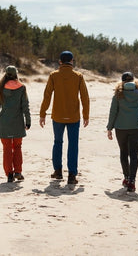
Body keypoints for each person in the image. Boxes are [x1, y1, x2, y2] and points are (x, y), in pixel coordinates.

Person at [39, 51, 90, 185]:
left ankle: (58, 171)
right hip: (73, 117)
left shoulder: (54, 75)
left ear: (60, 62)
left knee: (58, 142)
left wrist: (42, 113)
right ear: (72, 61)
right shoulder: (78, 76)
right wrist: (86, 115)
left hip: (57, 116)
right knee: (73, 145)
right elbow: (85, 97)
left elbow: (47, 96)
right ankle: (72, 175)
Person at [106, 72, 138, 192]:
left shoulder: (118, 94)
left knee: (124, 153)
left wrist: (109, 128)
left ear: (122, 81)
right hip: (135, 127)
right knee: (134, 154)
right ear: (133, 80)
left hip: (120, 128)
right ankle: (132, 181)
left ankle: (126, 177)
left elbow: (113, 112)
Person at [0, 65, 31, 183]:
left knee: (7, 149)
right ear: (16, 74)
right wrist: (28, 121)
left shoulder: (1, 88)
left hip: (4, 124)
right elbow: (25, 107)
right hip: (17, 123)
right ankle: (18, 171)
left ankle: (9, 174)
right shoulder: (22, 88)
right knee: (17, 148)